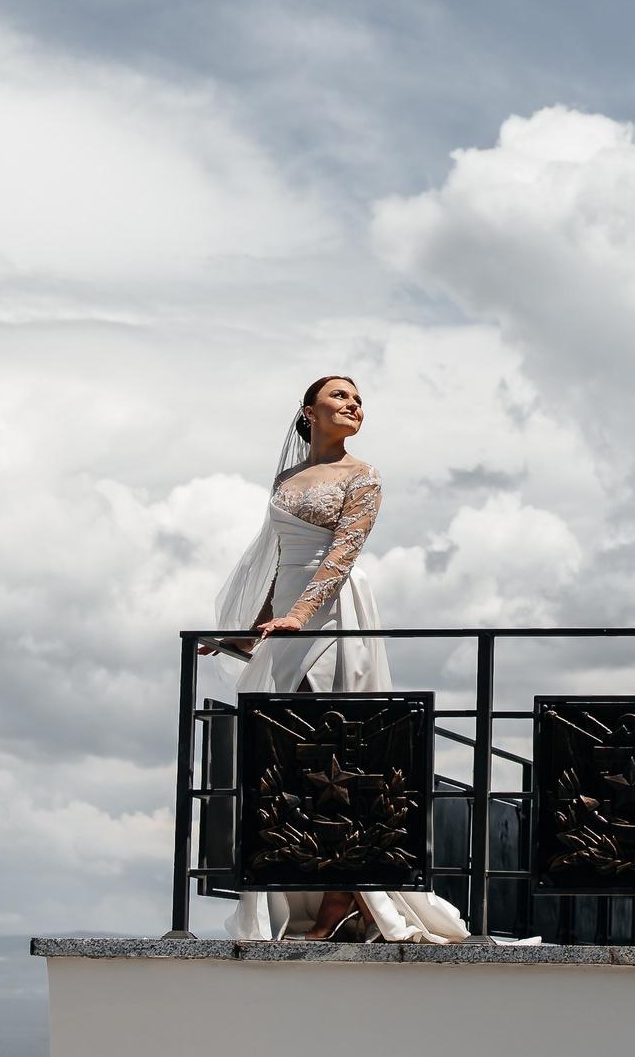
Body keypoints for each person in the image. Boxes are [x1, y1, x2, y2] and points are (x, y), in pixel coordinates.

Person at [206, 375, 469, 945]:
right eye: (339, 397)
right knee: (288, 756)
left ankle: (342, 900)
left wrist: (300, 616)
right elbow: (277, 562)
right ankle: (308, 885)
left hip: (337, 611)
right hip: (287, 621)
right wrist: (252, 633)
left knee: (343, 756)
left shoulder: (363, 476)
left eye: (358, 399)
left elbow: (344, 552)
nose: (353, 405)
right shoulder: (287, 479)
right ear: (309, 411)